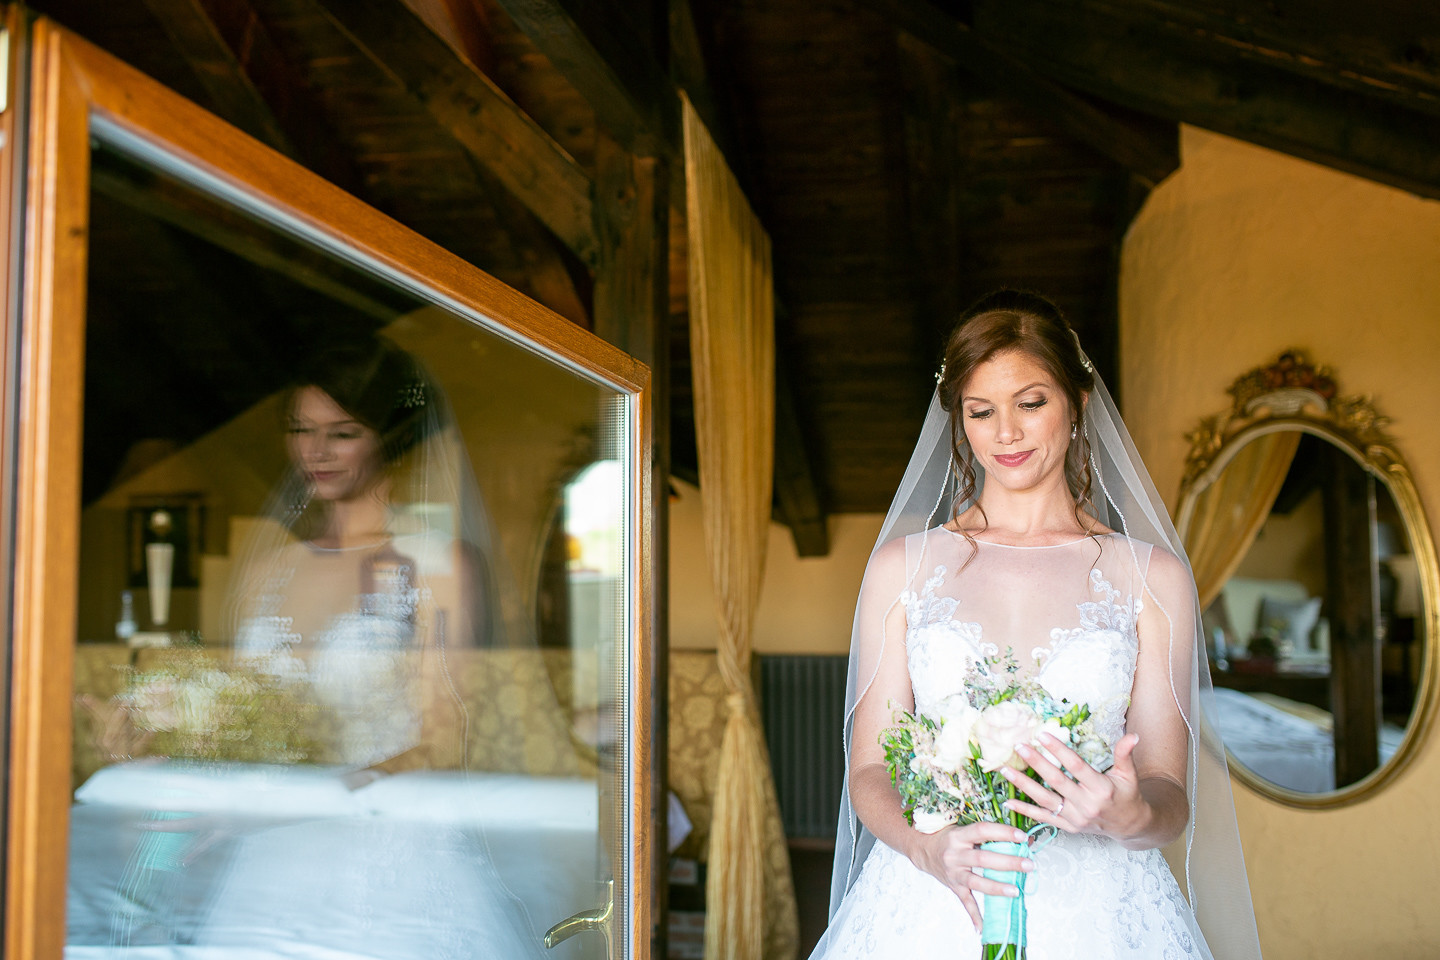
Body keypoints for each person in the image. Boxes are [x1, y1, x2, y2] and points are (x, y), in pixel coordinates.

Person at [809, 290, 1262, 959]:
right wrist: (925, 848)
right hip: (932, 903)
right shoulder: (901, 569)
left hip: (1105, 914)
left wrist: (1128, 814)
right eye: (981, 411)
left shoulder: (1151, 579)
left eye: (1031, 402)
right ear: (959, 421)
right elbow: (870, 769)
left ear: (1078, 405)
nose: (1007, 433)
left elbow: (1169, 790)